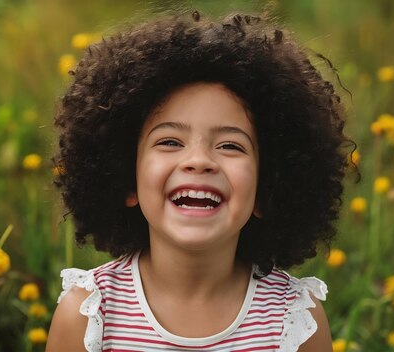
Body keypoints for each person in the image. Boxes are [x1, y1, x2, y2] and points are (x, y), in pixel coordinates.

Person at [47, 10, 352, 352]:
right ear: (126, 178)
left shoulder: (296, 321)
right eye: (170, 142)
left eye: (230, 145)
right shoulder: (88, 315)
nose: (199, 161)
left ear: (267, 189)